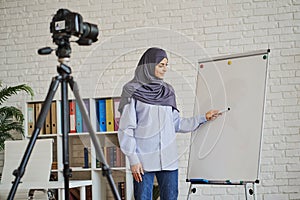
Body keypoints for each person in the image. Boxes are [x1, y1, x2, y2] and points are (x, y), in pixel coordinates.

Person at [117, 47, 220, 200]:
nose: (165, 69)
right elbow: (126, 129)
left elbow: (177, 124)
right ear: (148, 66)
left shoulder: (168, 91)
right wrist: (133, 160)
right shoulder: (132, 91)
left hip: (169, 160)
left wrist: (203, 117)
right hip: (143, 162)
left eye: (166, 65)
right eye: (161, 65)